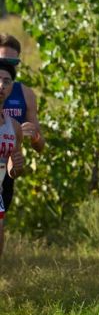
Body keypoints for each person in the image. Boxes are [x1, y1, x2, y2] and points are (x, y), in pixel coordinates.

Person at [0, 34, 44, 216]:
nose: (7, 66)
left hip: (7, 171)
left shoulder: (25, 94)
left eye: (13, 61)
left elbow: (40, 146)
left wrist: (34, 135)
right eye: (2, 60)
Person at [0, 60, 26, 259]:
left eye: (6, 81)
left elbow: (13, 171)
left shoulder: (14, 127)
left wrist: (15, 165)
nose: (1, 85)